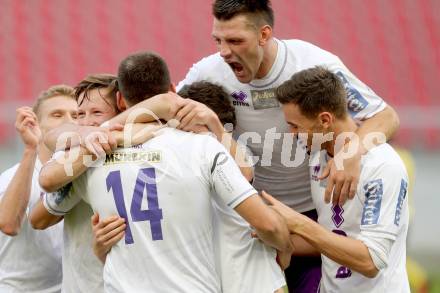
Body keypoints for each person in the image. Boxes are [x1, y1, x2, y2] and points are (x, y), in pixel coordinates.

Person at [173, 0, 400, 291]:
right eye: (218, 40)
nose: (224, 51)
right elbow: (165, 107)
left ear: (264, 35)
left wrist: (350, 152)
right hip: (253, 217)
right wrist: (112, 132)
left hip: (315, 217)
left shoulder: (313, 64)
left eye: (235, 40)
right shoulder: (210, 70)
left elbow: (385, 115)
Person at [37, 52, 293, 292]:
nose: (85, 121)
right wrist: (285, 245)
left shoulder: (91, 154)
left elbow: (42, 197)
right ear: (174, 90)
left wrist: (103, 133)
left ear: (120, 101)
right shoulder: (203, 146)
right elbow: (263, 213)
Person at [94, 80, 287, 293]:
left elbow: (247, 177)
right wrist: (100, 248)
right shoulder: (170, 162)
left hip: (252, 281)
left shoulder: (229, 156)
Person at [261, 66, 410, 292]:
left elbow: (370, 261)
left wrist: (298, 223)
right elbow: (332, 237)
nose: (291, 134)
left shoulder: (383, 166)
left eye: (295, 126)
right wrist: (271, 237)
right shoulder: (317, 157)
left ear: (325, 120)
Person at [30, 74, 124, 293]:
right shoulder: (75, 154)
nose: (87, 122)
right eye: (81, 114)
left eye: (97, 112)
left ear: (121, 109)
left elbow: (37, 219)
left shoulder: (83, 158)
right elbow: (37, 219)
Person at [0, 85, 77, 292]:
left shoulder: (83, 175)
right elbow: (8, 224)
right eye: (57, 114)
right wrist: (30, 148)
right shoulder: (13, 179)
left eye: (76, 114)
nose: (69, 121)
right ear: (37, 124)